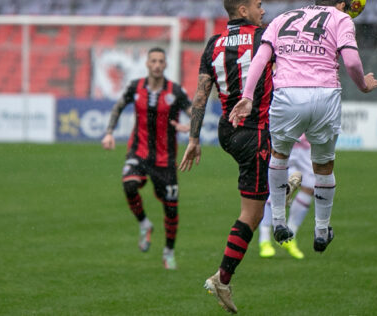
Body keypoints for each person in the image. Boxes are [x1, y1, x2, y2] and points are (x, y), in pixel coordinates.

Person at [230, 0, 377, 255]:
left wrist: (247, 95)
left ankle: (278, 221)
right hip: (324, 94)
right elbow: (352, 63)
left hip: (287, 93)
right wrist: (363, 86)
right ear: (340, 4)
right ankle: (321, 231)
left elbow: (261, 59)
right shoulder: (340, 19)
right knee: (323, 166)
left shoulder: (282, 18)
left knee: (279, 157)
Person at [178, 0, 271, 313]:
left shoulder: (213, 43)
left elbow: (201, 94)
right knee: (252, 215)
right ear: (242, 10)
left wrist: (193, 137)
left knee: (269, 180)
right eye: (258, 4)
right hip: (253, 130)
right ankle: (222, 279)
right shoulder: (263, 36)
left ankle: (282, 187)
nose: (263, 9)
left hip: (227, 131)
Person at [102, 47, 192, 270]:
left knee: (171, 209)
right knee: (129, 185)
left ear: (165, 65)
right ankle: (144, 224)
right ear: (147, 64)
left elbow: (195, 113)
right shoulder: (136, 87)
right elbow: (118, 107)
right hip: (139, 152)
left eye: (161, 61)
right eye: (153, 61)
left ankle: (168, 252)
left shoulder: (175, 91)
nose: (157, 65)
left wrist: (190, 127)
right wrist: (109, 132)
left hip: (165, 159)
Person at [259, 135, 314, 259]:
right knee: (278, 188)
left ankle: (290, 235)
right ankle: (264, 239)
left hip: (306, 145)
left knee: (310, 187)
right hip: (285, 141)